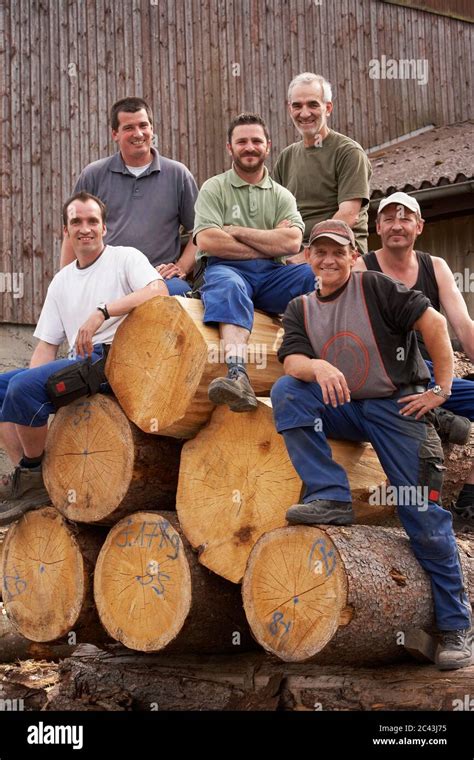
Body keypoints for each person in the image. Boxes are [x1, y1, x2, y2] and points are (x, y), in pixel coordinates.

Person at [270, 218, 472, 671]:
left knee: (419, 511)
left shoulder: (377, 288)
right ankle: (330, 495)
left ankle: (456, 624)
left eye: (337, 252)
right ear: (308, 258)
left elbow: (436, 324)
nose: (328, 260)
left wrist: (440, 389)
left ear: (352, 256)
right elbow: (292, 359)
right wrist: (318, 368)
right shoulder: (300, 307)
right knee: (288, 391)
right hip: (344, 404)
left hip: (396, 405)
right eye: (319, 252)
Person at [0, 191, 168, 524]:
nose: (85, 228)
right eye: (76, 221)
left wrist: (102, 312)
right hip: (77, 364)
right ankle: (28, 475)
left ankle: (34, 476)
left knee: (22, 389)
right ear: (66, 230)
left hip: (111, 360)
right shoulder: (61, 281)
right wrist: (28, 388)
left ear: (104, 227)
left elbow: (158, 290)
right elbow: (47, 345)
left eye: (93, 221)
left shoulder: (125, 258)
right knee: (8, 388)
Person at [353, 191, 474, 520]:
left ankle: (469, 497)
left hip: (432, 372)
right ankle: (438, 418)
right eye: (389, 218)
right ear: (378, 227)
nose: (397, 225)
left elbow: (463, 326)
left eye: (405, 218)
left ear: (419, 226)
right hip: (387, 373)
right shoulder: (362, 267)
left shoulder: (435, 267)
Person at [193, 112, 315, 412]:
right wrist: (268, 241)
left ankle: (323, 360)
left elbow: (291, 243)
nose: (250, 147)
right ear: (229, 147)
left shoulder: (282, 195)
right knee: (229, 285)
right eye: (242, 141)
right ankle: (238, 376)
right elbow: (207, 241)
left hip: (274, 274)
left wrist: (234, 230)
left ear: (268, 146)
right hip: (226, 268)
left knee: (314, 276)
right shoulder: (214, 188)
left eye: (256, 141)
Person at [60, 97, 198, 295]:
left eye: (144, 125)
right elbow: (71, 233)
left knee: (179, 300)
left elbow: (200, 232)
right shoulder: (93, 175)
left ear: (152, 129)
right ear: (115, 134)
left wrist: (182, 266)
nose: (138, 134)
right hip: (105, 277)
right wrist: (67, 282)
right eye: (129, 128)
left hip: (159, 278)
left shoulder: (178, 174)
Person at [273, 72, 372, 256]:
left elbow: (347, 216)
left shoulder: (348, 153)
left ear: (328, 108)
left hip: (339, 250)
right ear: (289, 110)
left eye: (313, 104)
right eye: (297, 106)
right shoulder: (285, 158)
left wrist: (306, 255)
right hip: (292, 251)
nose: (304, 113)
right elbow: (274, 216)